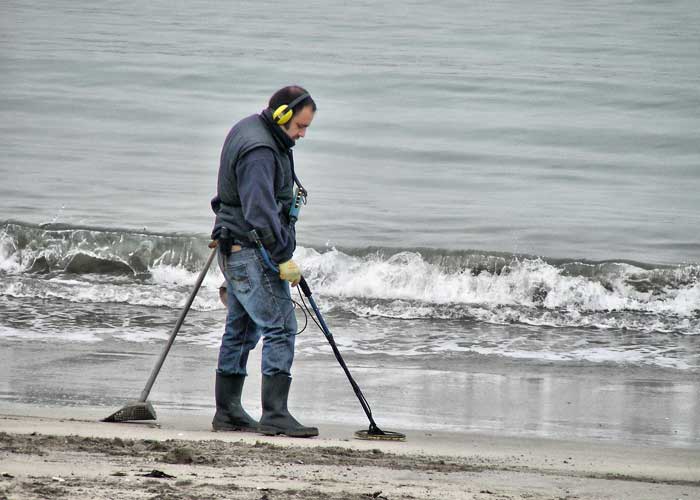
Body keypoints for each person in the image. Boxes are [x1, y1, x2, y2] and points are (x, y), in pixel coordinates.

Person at [209, 86, 318, 438]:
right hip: (251, 251)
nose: (303, 134)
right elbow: (258, 210)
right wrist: (283, 256)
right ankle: (275, 413)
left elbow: (228, 196)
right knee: (282, 326)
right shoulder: (259, 149)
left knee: (240, 331)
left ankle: (228, 412)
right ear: (283, 116)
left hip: (236, 247)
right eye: (300, 126)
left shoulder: (252, 130)